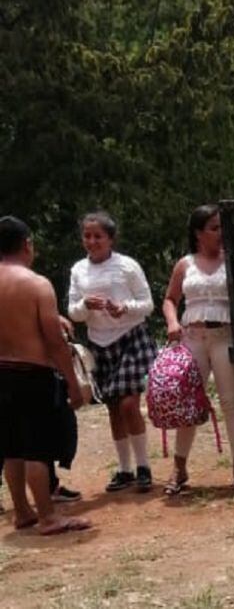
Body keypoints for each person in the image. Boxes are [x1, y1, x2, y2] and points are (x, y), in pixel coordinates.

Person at [0, 216, 91, 535]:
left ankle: (22, 511)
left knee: (11, 447)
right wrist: (73, 383)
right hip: (32, 373)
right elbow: (54, 341)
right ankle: (48, 516)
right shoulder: (37, 284)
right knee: (37, 448)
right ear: (27, 245)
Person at [161, 205, 234, 495]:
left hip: (225, 335)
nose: (220, 233)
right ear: (198, 233)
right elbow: (170, 299)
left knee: (231, 402)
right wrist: (172, 322)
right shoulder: (185, 264)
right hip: (192, 338)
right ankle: (179, 467)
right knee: (189, 403)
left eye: (222, 227)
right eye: (214, 228)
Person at [68, 212, 156, 493]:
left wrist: (124, 308)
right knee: (114, 408)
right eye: (87, 236)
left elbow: (147, 304)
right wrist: (85, 305)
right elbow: (73, 312)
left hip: (130, 338)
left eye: (98, 236)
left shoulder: (127, 266)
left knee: (129, 404)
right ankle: (124, 469)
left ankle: (143, 466)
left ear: (111, 239)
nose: (92, 241)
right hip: (100, 342)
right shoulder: (78, 270)